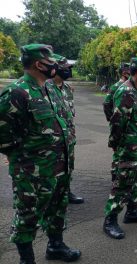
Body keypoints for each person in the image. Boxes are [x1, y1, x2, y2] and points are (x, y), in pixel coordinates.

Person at [0, 44, 81, 263]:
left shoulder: (51, 88)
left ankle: (55, 246)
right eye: (51, 62)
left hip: (60, 166)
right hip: (32, 172)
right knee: (28, 216)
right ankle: (27, 260)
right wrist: (22, 160)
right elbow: (4, 136)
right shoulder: (16, 93)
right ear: (39, 64)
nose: (56, 66)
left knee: (57, 208)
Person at [103, 57, 137, 240]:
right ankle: (110, 220)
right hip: (127, 148)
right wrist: (117, 146)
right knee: (122, 183)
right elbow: (117, 123)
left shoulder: (135, 90)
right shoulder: (126, 91)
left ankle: (132, 212)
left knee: (136, 180)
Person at [48, 54, 84, 204]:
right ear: (54, 69)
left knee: (68, 166)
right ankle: (51, 197)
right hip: (52, 140)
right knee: (52, 169)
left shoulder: (67, 88)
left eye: (69, 68)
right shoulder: (45, 88)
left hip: (68, 137)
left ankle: (66, 192)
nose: (68, 71)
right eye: (64, 69)